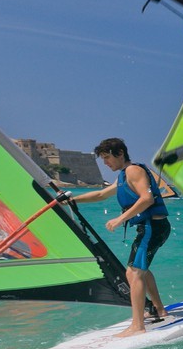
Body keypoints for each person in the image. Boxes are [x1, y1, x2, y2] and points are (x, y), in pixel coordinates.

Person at [62, 138, 170, 337]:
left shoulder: (133, 171)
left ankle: (137, 326)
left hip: (152, 227)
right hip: (150, 227)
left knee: (133, 273)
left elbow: (147, 199)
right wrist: (71, 200)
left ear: (120, 153)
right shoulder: (123, 176)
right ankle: (159, 309)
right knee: (141, 269)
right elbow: (101, 195)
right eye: (103, 159)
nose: (105, 163)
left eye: (107, 157)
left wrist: (120, 218)